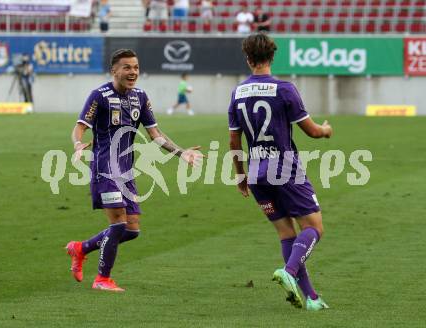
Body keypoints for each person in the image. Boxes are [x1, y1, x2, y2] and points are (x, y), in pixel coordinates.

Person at [66, 49, 203, 292]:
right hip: (105, 169)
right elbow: (79, 127)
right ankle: (102, 279)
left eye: (136, 67)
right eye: (127, 67)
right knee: (118, 223)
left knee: (132, 230)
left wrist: (182, 153)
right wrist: (78, 144)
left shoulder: (140, 97)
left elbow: (156, 135)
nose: (133, 72)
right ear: (114, 71)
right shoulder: (99, 95)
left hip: (126, 170)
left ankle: (81, 248)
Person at [227, 33, 332, 310]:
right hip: (286, 169)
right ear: (272, 57)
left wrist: (240, 176)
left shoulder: (237, 93)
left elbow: (234, 141)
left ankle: (311, 298)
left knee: (287, 233)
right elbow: (310, 131)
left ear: (248, 59)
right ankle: (290, 271)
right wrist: (325, 130)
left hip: (256, 172)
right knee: (314, 228)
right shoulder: (284, 89)